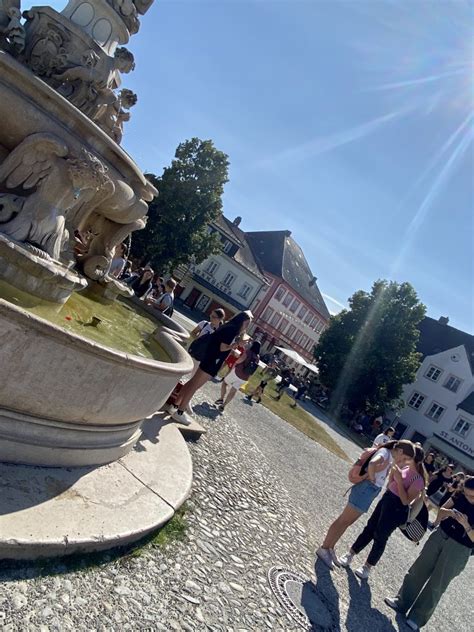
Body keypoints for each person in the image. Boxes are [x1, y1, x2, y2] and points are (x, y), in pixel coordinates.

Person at [385, 476, 474, 630]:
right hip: (441, 535)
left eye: (472, 495)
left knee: (437, 583)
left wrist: (466, 525)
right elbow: (442, 510)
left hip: (460, 547)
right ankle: (401, 602)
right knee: (419, 569)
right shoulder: (459, 494)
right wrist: (450, 514)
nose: (468, 497)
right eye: (466, 493)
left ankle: (417, 618)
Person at [316, 440, 413, 569]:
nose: (404, 461)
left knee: (347, 522)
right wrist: (372, 478)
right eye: (405, 457)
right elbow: (372, 463)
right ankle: (324, 547)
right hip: (366, 489)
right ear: (400, 451)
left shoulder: (390, 456)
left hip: (369, 490)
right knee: (344, 520)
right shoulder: (385, 453)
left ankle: (330, 547)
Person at [338, 444, 427, 579]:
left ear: (414, 458)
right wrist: (393, 478)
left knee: (381, 536)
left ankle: (367, 567)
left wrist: (398, 481)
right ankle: (350, 554)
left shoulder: (418, 480)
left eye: (408, 456)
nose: (403, 458)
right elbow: (391, 482)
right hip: (387, 499)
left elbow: (405, 501)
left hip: (397, 507)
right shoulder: (404, 467)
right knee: (370, 527)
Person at [170, 311, 253, 425]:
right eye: (247, 323)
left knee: (192, 383)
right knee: (194, 386)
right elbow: (223, 347)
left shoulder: (228, 326)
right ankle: (179, 412)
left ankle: (175, 405)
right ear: (241, 321)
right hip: (213, 361)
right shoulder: (232, 329)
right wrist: (234, 345)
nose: (247, 327)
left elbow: (219, 343)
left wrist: (232, 347)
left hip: (210, 357)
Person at [216, 341, 261, 412]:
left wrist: (234, 364)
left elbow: (239, 360)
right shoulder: (258, 357)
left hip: (237, 372)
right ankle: (223, 405)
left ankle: (221, 399)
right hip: (245, 378)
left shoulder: (248, 352)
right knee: (233, 391)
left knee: (224, 383)